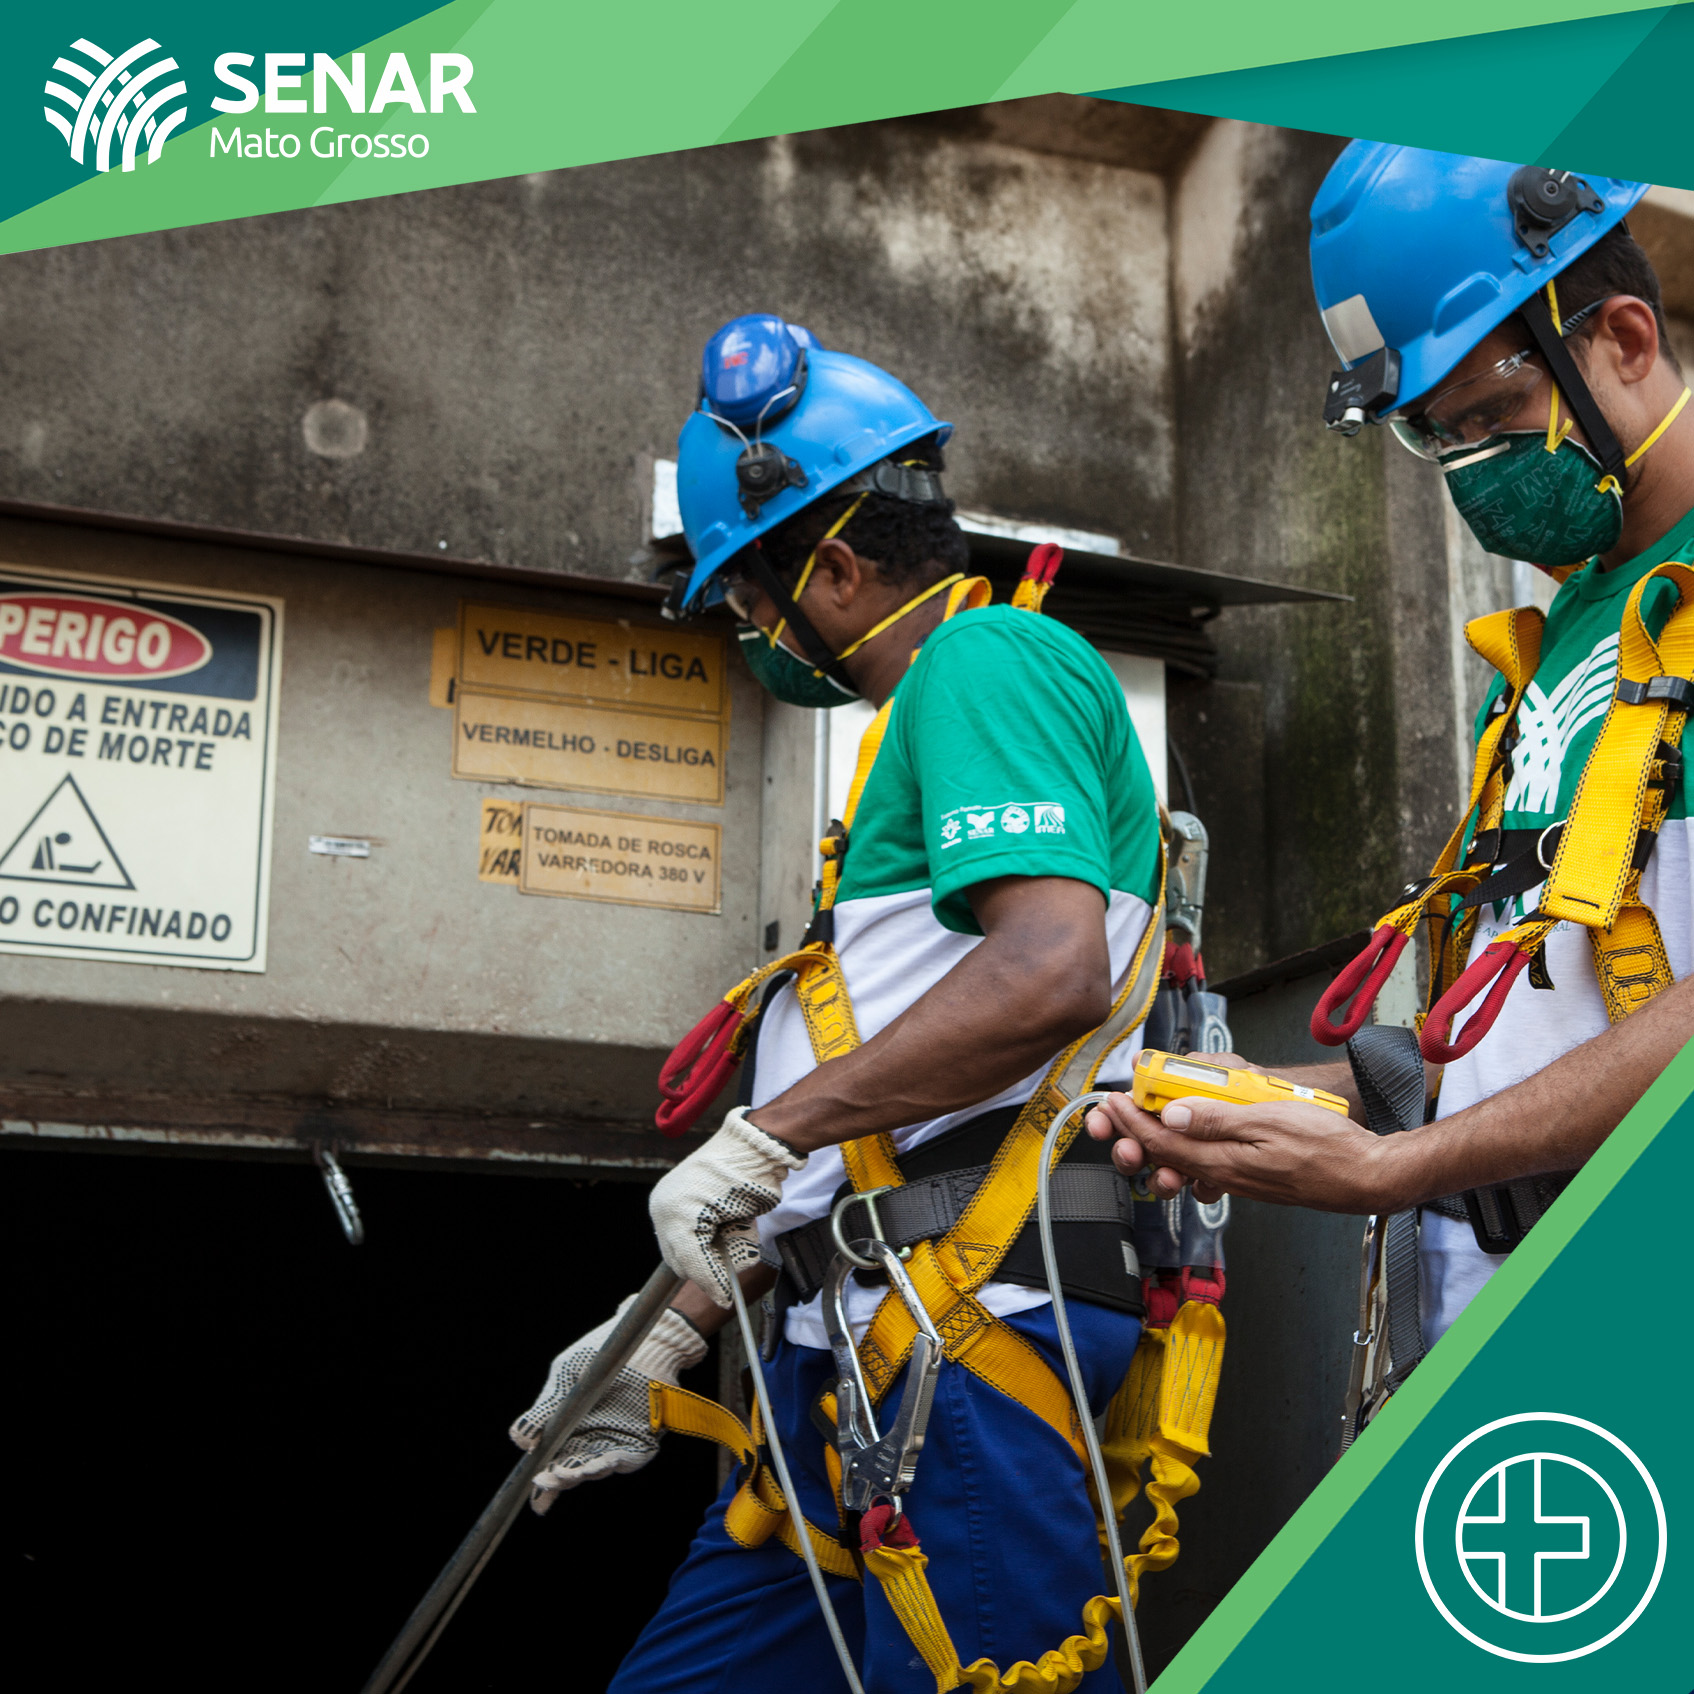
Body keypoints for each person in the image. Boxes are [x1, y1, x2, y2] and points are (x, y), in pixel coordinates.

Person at [509, 315, 1169, 1691]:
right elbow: (883, 1112)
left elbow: (1048, 969)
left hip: (964, 1325)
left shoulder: (987, 664)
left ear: (836, 570)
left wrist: (767, 1133)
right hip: (857, 1333)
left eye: (749, 601)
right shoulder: (913, 729)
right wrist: (671, 1327)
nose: (753, 633)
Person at [1088, 144, 1694, 1350]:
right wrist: (1270, 1102)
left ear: (1622, 340)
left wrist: (1394, 1165)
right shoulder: (1551, 648)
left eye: (1488, 415)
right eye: (1434, 436)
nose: (1468, 470)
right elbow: (1528, 1042)